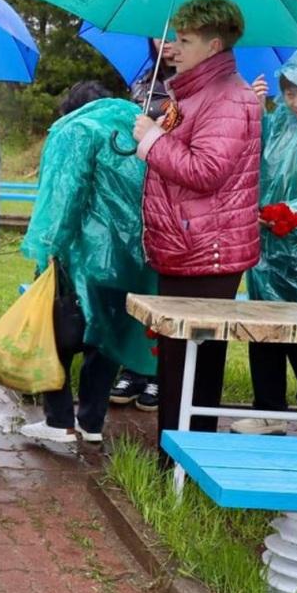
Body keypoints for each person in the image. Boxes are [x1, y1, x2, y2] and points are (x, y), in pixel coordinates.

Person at [131, 0, 261, 452]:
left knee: (193, 366)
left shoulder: (229, 98)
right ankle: (176, 457)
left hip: (208, 251)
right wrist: (157, 132)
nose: (172, 47)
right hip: (186, 244)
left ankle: (187, 461)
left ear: (214, 44)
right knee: (176, 361)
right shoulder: (194, 93)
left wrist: (152, 141)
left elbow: (206, 172)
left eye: (184, 40)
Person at [18, 82, 160, 444]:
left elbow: (65, 195)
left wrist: (49, 247)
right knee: (107, 339)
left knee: (56, 334)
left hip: (82, 256)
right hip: (131, 258)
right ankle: (91, 422)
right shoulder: (140, 131)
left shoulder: (77, 131)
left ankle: (59, 420)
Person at [231, 50, 297, 435]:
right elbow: (251, 156)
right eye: (290, 92)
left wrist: (294, 214)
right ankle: (268, 410)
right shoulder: (278, 120)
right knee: (263, 327)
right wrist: (254, 108)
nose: (296, 101)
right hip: (266, 245)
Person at [109, 39, 177, 412]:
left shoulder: (195, 89)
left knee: (159, 286)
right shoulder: (141, 82)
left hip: (172, 197)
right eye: (158, 34)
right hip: (134, 194)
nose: (165, 43)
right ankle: (132, 366)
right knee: (134, 284)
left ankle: (156, 373)